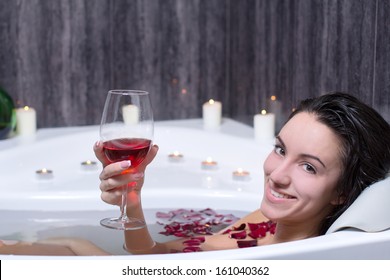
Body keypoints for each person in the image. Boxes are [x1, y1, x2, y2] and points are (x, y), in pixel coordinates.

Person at [94, 92, 390, 255]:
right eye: (281, 150)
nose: (277, 175)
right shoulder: (268, 223)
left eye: (308, 167)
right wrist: (132, 196)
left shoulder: (285, 259)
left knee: (76, 247)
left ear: (343, 192)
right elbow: (152, 257)